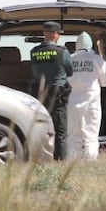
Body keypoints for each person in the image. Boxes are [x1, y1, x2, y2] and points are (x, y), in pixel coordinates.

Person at [30, 21, 73, 161]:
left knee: (41, 126)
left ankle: (39, 157)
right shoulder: (62, 51)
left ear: (44, 33)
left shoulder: (34, 52)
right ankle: (60, 159)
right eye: (58, 33)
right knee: (60, 128)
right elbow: (70, 71)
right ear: (55, 34)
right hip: (58, 92)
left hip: (39, 92)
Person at [67, 32, 106, 160]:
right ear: (90, 45)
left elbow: (64, 80)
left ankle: (72, 162)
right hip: (91, 103)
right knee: (91, 134)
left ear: (76, 45)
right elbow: (105, 82)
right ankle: (90, 161)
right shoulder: (97, 60)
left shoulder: (69, 59)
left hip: (72, 102)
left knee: (73, 135)